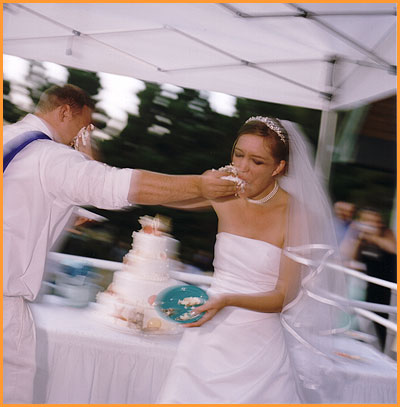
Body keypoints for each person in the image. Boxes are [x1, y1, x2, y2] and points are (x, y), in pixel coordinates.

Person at [3, 84, 237, 404]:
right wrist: (201, 184)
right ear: (65, 112)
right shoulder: (51, 158)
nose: (84, 134)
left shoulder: (8, 137)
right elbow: (121, 185)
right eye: (84, 126)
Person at [157, 117, 347, 403]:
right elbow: (166, 198)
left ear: (278, 168)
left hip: (258, 346)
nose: (242, 167)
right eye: (238, 154)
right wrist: (201, 184)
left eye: (257, 161)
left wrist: (228, 299)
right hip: (206, 338)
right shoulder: (225, 195)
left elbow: (283, 297)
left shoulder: (299, 216)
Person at [341, 208, 397, 351]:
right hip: (368, 288)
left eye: (375, 221)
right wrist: (357, 237)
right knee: (364, 323)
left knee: (381, 325)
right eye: (368, 221)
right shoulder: (363, 239)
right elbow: (350, 257)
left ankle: (381, 353)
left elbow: (394, 249)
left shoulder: (387, 235)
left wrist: (372, 237)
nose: (372, 225)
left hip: (386, 290)